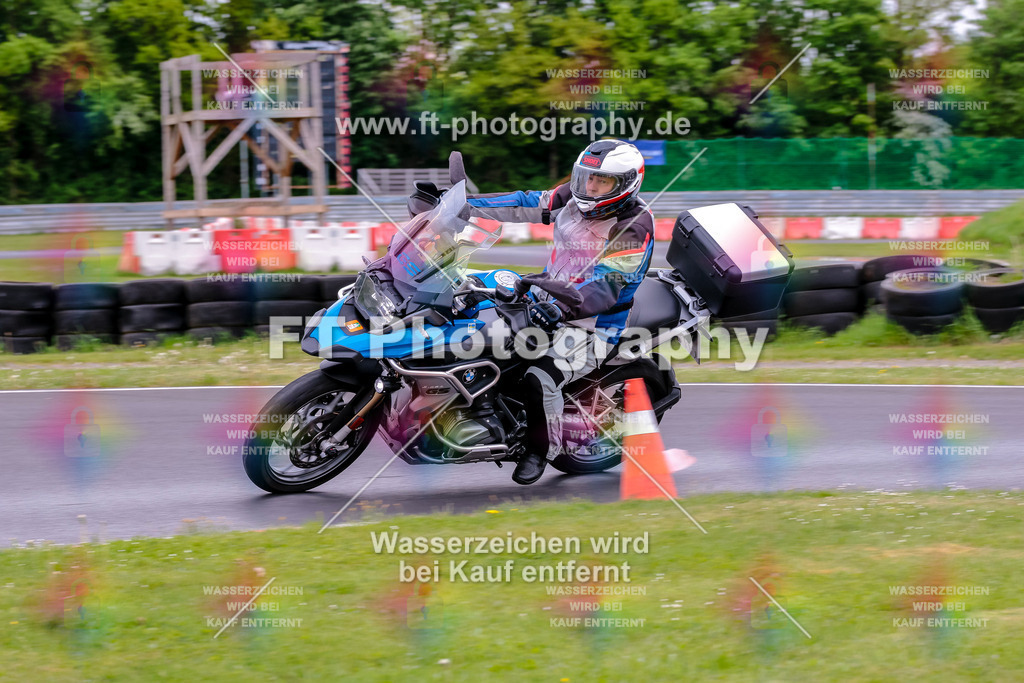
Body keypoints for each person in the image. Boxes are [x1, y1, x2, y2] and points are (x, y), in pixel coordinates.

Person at [410, 140, 654, 484]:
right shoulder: (575, 195)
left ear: (626, 184)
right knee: (463, 295)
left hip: (591, 323)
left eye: (602, 182)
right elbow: (526, 204)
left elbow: (606, 286)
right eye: (587, 178)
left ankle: (541, 449)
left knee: (541, 377)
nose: (590, 187)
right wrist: (461, 207)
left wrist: (557, 308)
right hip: (544, 292)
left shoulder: (634, 228)